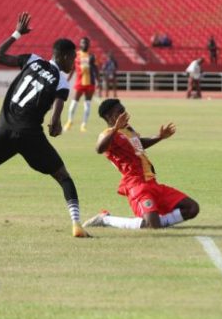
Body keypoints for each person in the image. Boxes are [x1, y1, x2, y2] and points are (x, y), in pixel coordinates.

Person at [0, 12, 91, 238]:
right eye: (72, 57)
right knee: (63, 176)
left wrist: (17, 33)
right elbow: (55, 123)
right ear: (63, 56)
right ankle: (76, 225)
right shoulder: (62, 82)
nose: (73, 61)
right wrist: (56, 127)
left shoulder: (32, 59)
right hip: (30, 135)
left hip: (3, 130)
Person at [82, 99, 199, 230]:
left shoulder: (128, 129)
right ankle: (105, 219)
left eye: (124, 110)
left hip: (151, 182)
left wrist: (160, 137)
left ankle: (155, 221)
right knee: (152, 226)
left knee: (192, 208)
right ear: (110, 116)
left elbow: (139, 144)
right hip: (136, 184)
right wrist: (115, 128)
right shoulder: (107, 134)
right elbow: (99, 149)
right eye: (120, 111)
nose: (125, 113)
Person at [64, 36, 98, 132]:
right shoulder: (76, 55)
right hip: (79, 83)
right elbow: (73, 68)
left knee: (87, 104)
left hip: (90, 83)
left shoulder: (91, 56)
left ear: (89, 45)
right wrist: (69, 78)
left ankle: (84, 125)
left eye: (86, 43)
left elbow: (95, 69)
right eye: (83, 42)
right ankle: (69, 121)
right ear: (80, 44)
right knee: (74, 103)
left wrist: (99, 80)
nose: (84, 44)